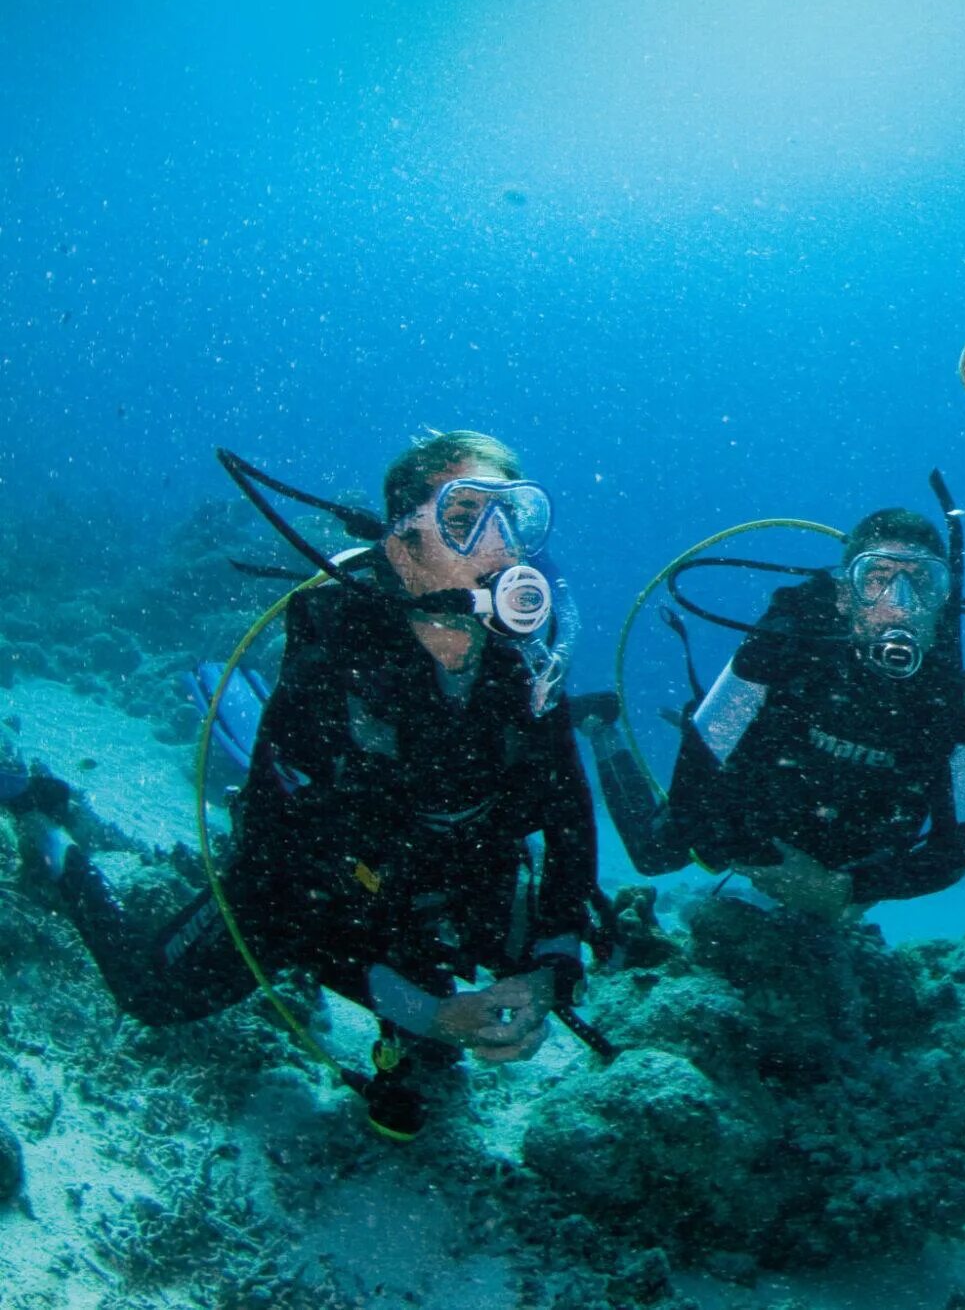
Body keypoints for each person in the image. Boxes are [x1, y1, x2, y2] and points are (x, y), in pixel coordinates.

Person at [5, 432, 600, 1138]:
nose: (503, 549)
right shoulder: (336, 656)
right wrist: (429, 1012)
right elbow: (292, 886)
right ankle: (52, 838)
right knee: (153, 992)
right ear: (402, 543)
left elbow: (567, 812)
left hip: (439, 882)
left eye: (516, 521)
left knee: (421, 1089)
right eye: (467, 521)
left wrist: (549, 970)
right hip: (304, 887)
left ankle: (411, 1019)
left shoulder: (526, 661)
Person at [584, 504, 965, 921]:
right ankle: (600, 728)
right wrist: (753, 855)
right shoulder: (780, 646)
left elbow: (953, 854)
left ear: (943, 602)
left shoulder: (959, 702)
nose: (899, 605)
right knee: (654, 855)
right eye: (876, 579)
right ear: (843, 595)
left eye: (922, 582)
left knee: (832, 919)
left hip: (852, 848)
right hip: (755, 814)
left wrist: (845, 889)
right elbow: (696, 786)